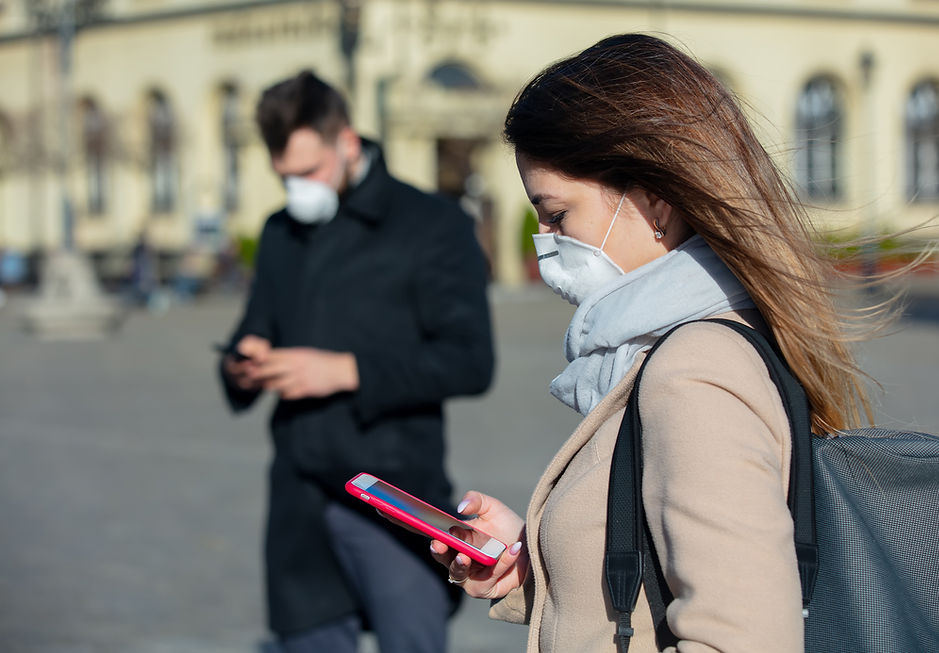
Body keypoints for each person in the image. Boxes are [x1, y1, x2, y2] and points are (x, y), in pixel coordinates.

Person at [428, 34, 876, 652]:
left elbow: (742, 638)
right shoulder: (665, 350)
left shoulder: (694, 372)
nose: (545, 241)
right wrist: (534, 562)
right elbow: (650, 584)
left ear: (655, 201)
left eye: (557, 214)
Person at [217, 70, 494, 652]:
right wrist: (243, 362)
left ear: (346, 141)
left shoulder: (431, 225)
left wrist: (347, 371)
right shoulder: (280, 232)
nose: (299, 190)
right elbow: (255, 326)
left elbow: (470, 361)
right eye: (285, 177)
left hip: (393, 492)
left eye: (309, 171)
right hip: (299, 497)